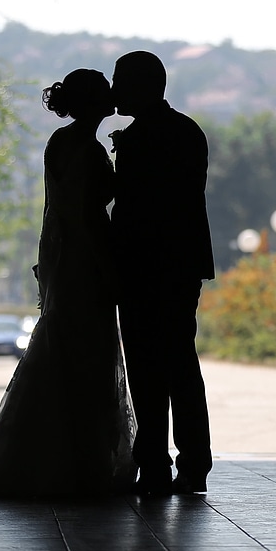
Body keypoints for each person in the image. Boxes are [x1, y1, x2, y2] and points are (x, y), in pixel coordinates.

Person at [0, 69, 136, 497]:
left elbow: (61, 211)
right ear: (95, 100)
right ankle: (85, 463)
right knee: (88, 357)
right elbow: (88, 217)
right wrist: (107, 269)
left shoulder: (59, 143)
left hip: (62, 261)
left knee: (63, 353)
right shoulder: (88, 150)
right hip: (85, 264)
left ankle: (52, 458)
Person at [109, 51, 215, 496]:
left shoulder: (140, 140)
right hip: (181, 266)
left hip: (142, 268)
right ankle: (192, 464)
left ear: (141, 86)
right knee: (179, 364)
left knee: (148, 368)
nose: (114, 92)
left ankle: (154, 464)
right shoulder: (187, 131)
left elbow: (132, 212)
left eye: (120, 82)